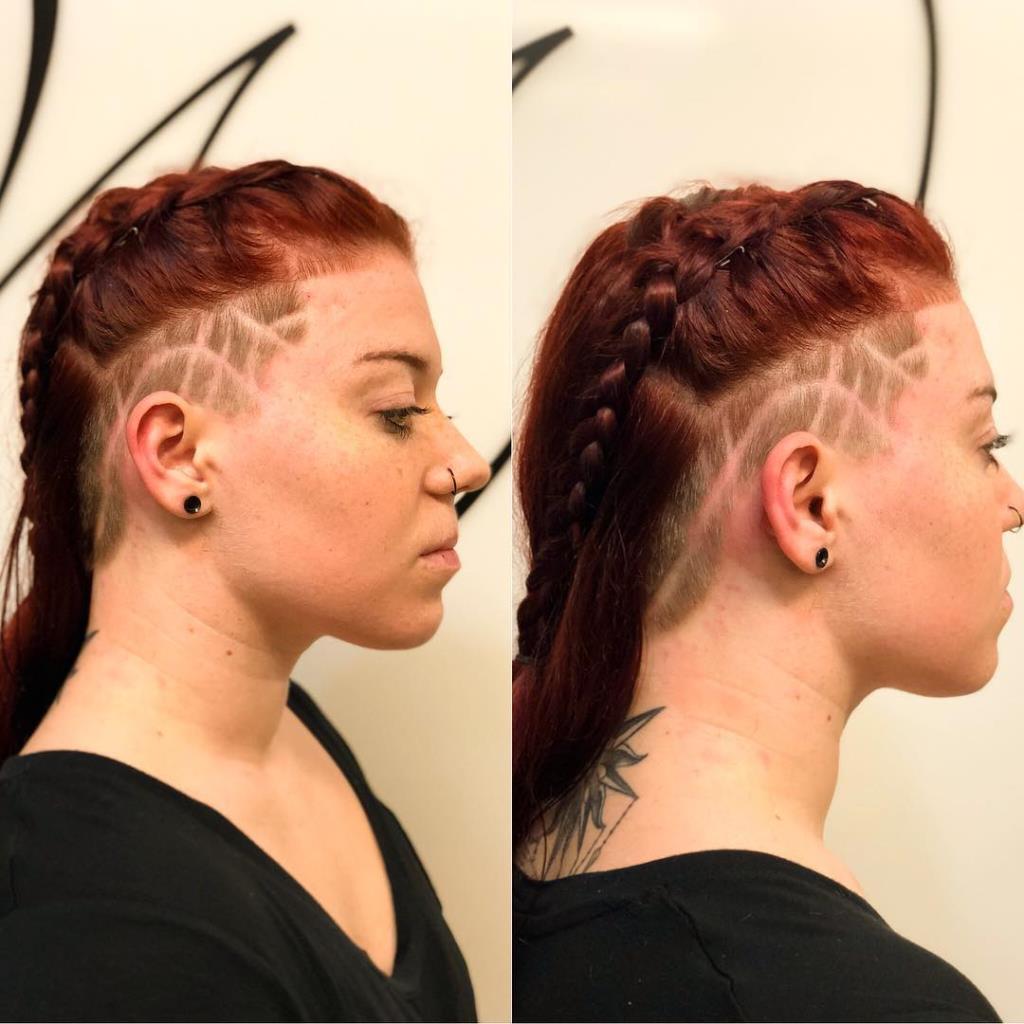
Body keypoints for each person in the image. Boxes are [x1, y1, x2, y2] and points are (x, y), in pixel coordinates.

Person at [511, 179, 1018, 1022]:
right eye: (985, 443)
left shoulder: (510, 895)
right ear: (811, 503)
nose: (1013, 502)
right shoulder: (873, 1009)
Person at [0, 158, 491, 1021]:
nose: (464, 463)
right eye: (395, 409)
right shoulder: (84, 914)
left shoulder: (291, 731)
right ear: (179, 455)